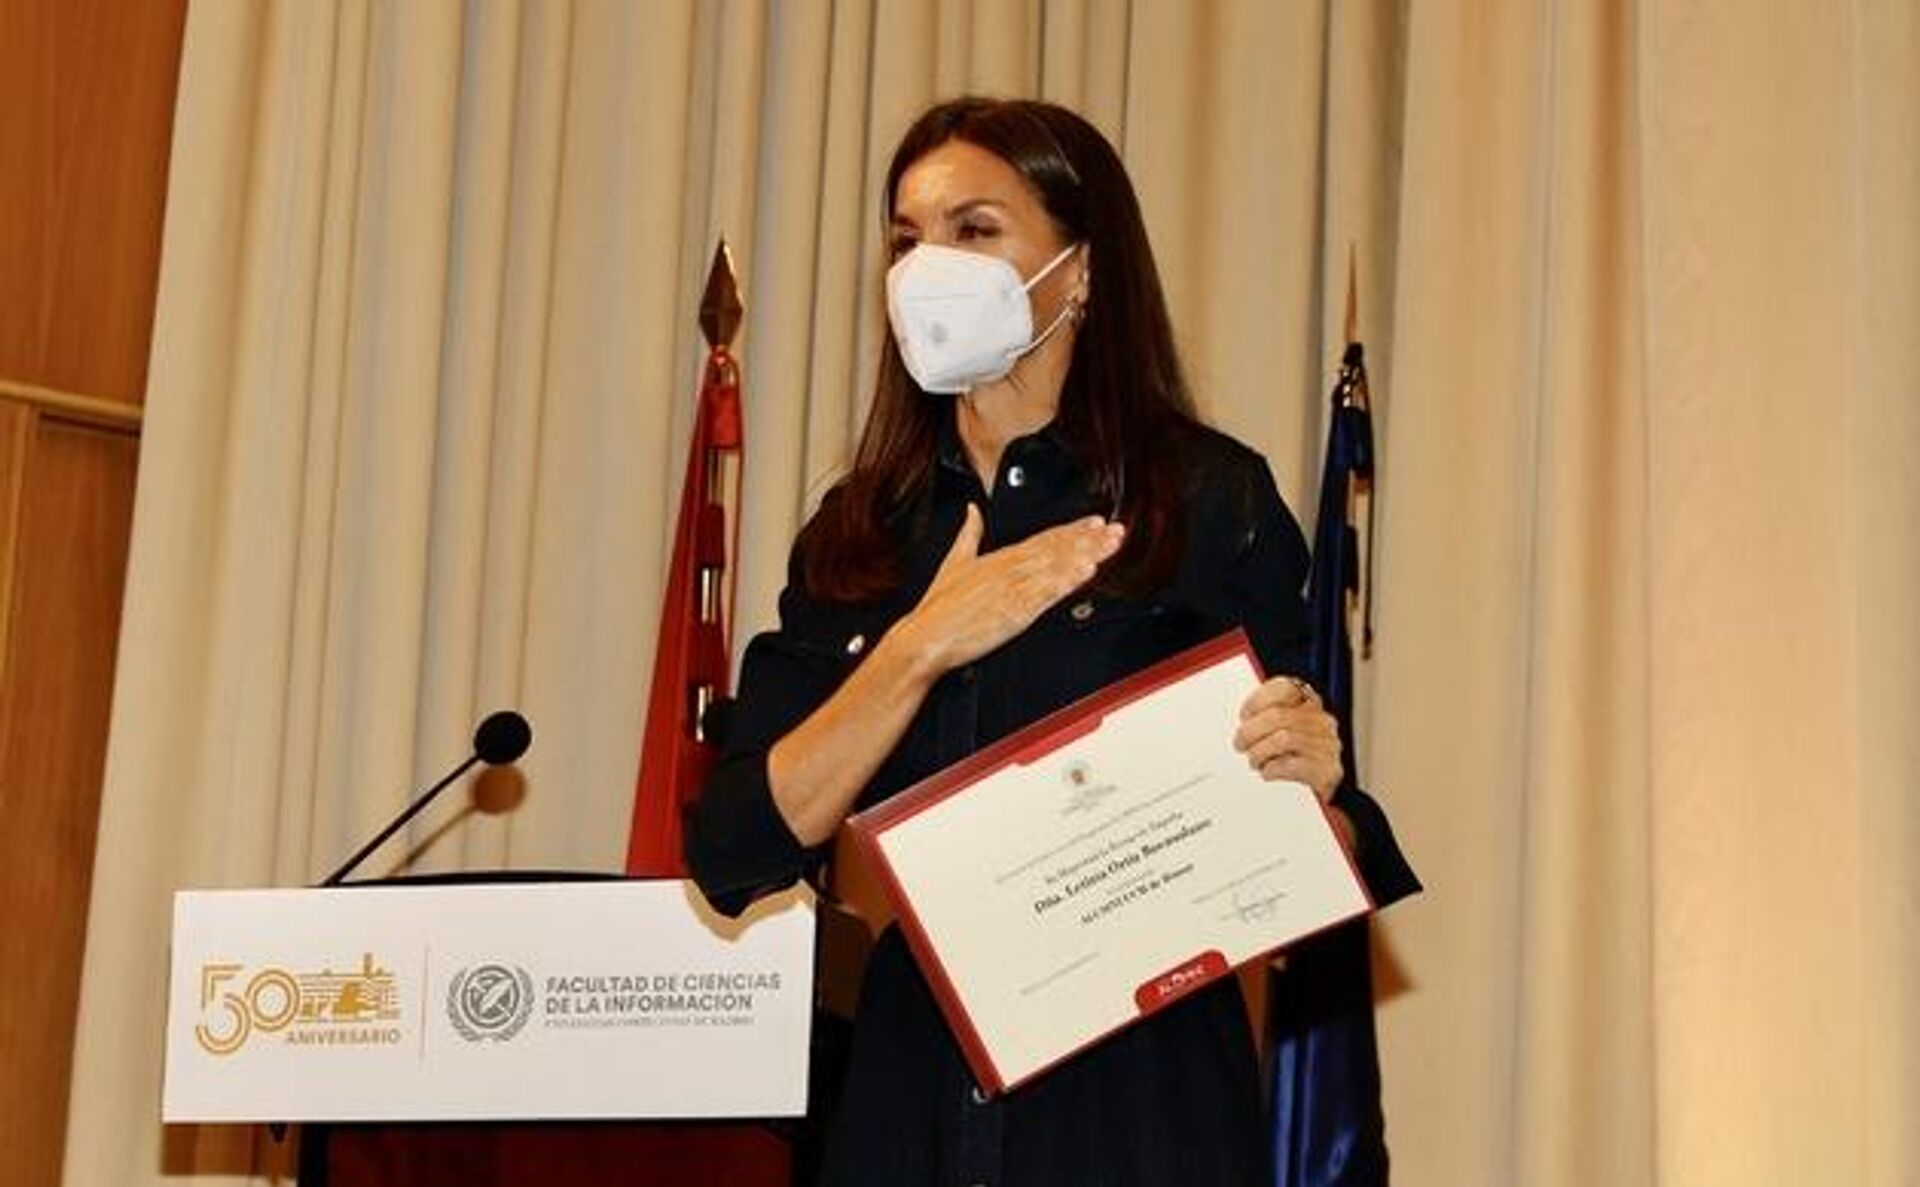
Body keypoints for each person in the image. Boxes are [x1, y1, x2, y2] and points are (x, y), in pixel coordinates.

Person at [687, 96, 1418, 1187]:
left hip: (1143, 1108)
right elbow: (736, 849)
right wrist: (921, 644)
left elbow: (1312, 855)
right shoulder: (859, 530)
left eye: (974, 230)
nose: (927, 266)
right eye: (907, 238)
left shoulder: (1209, 499)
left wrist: (1312, 786)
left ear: (1079, 270)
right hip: (908, 1102)